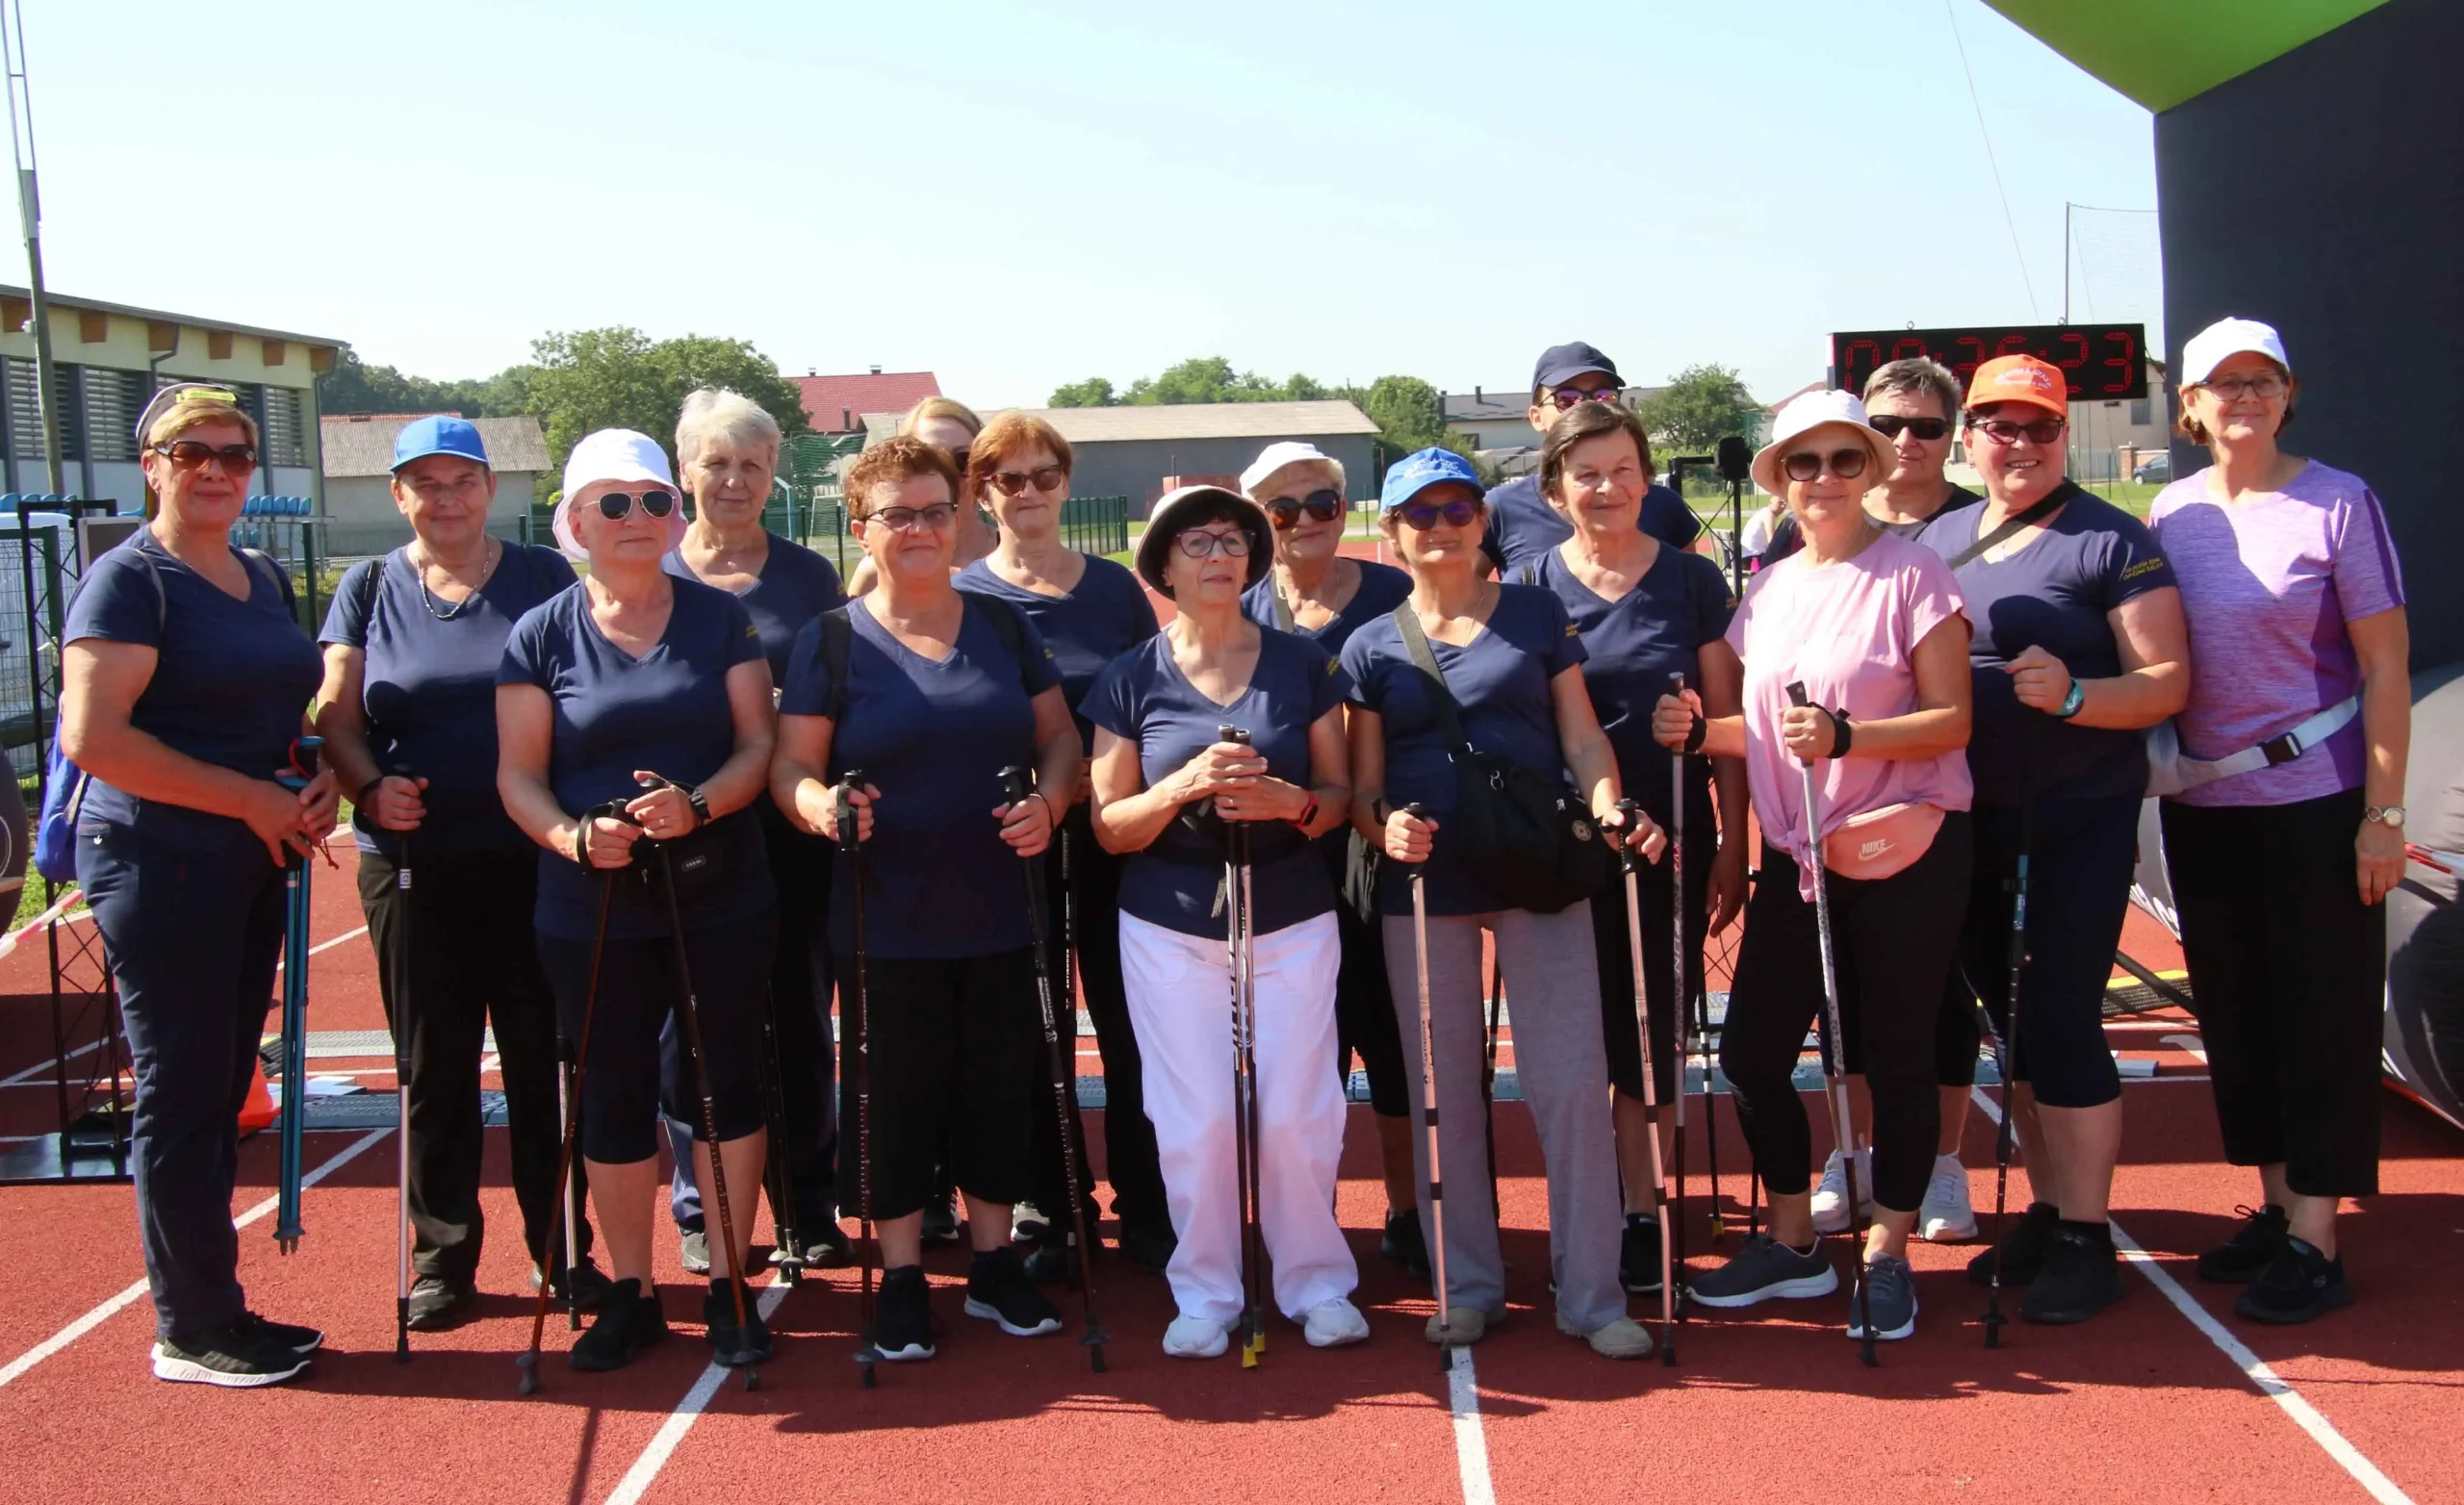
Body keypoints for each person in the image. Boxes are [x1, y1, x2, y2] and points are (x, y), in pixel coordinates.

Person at [1343, 446, 1662, 1360]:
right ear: (1394, 530)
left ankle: (1594, 1296)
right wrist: (1381, 828)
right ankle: (1469, 1284)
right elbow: (1362, 792)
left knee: (1568, 1085)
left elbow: (1583, 738)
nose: (1440, 528)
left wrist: (1608, 802)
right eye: (1421, 514)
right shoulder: (1369, 646)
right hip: (1426, 888)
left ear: (1482, 521)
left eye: (1457, 510)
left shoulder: (1535, 615)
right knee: (1446, 1093)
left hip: (1540, 876)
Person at [1669, 390, 1973, 1344]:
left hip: (1900, 847)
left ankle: (1886, 1250)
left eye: (1845, 460)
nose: (1825, 479)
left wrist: (1849, 734)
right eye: (1804, 464)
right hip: (1797, 856)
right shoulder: (1766, 589)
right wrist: (1696, 732)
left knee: (1896, 1055)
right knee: (1754, 1051)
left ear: (1871, 471)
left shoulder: (1914, 574)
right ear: (1782, 481)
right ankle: (1796, 1237)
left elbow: (1953, 718)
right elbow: (1766, 729)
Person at [770, 435, 1082, 1363]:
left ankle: (993, 1264)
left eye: (934, 510)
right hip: (884, 914)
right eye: (896, 514)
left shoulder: (1004, 627)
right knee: (891, 1100)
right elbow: (791, 765)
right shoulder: (827, 639)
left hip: (999, 906)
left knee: (993, 1089)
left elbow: (1059, 740)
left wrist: (1050, 801)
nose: (918, 529)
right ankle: (902, 1274)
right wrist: (823, 807)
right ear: (860, 529)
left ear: (959, 518)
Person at [63, 383, 337, 1387]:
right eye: (191, 453)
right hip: (160, 860)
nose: (216, 468)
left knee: (222, 1087)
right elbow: (94, 738)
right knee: (181, 1093)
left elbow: (272, 708)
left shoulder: (257, 574)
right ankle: (189, 1325)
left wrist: (309, 776)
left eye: (234, 452)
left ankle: (217, 1306)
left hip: (248, 857)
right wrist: (246, 798)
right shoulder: (131, 581)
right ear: (152, 465)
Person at [313, 415, 606, 1333]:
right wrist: (368, 785)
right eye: (425, 484)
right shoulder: (366, 587)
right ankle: (443, 1258)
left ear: (492, 489)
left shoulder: (542, 577)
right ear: (399, 494)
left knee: (544, 1062)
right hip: (413, 865)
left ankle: (562, 1250)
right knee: (432, 1066)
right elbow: (336, 711)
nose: (446, 499)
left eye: (462, 481)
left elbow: (588, 688)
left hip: (533, 859)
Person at [496, 429, 780, 1372]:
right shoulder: (539, 632)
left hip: (720, 893)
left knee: (726, 1084)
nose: (636, 519)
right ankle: (630, 1288)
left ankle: (731, 1278)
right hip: (591, 908)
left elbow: (755, 747)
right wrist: (574, 835)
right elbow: (519, 777)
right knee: (613, 1094)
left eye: (653, 501)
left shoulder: (720, 620)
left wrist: (696, 805)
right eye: (612, 504)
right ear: (574, 521)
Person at [1915, 355, 2189, 1325]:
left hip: (2072, 822)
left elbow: (2164, 683)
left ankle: (2086, 1231)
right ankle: (2044, 1204)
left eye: (2037, 428)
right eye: (1998, 425)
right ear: (1971, 436)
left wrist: (2074, 696)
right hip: (1968, 821)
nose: (2017, 444)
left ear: (2062, 434)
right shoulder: (1937, 534)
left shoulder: (2109, 539)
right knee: (2011, 1023)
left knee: (2064, 1017)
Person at [2151, 317, 2409, 1324]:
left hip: (2316, 801)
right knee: (2236, 1011)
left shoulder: (2337, 503)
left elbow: (2384, 664)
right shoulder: (2170, 513)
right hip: (2206, 803)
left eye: (2261, 381)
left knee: (2320, 1014)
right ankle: (2273, 1202)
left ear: (2287, 394)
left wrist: (2382, 813)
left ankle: (2316, 1234)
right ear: (2191, 407)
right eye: (2224, 384)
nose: (2243, 398)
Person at [1086, 483, 1368, 1357]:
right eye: (1198, 543)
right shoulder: (1129, 677)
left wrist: (1287, 801)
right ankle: (1205, 1289)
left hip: (1290, 917)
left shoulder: (1302, 663)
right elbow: (1109, 825)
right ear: (1164, 565)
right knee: (1197, 1117)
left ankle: (1315, 1281)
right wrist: (1184, 787)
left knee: (1295, 1112)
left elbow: (1339, 797)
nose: (1219, 556)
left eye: (1234, 541)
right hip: (1169, 926)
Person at [1523, 401, 1747, 1295]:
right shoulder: (1531, 585)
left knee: (1652, 1025)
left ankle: (1645, 1207)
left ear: (1646, 479)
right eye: (1585, 473)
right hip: (1567, 844)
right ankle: (1607, 1199)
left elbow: (1726, 725)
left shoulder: (1692, 584)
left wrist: (1729, 845)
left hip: (1669, 840)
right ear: (1554, 489)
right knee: (1586, 1027)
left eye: (1622, 469)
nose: (1606, 487)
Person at [955, 411, 1174, 1277]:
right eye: (1011, 479)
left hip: (1117, 840)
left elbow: (1155, 703)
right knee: (1030, 1029)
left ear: (1067, 483)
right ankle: (1056, 1200)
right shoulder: (968, 595)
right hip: (1014, 842)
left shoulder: (1115, 590)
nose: (1031, 492)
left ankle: (1149, 1200)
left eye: (1046, 475)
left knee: (1129, 1024)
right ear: (984, 493)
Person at [658, 388, 850, 1276]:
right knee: (691, 1024)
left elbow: (834, 694)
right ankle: (705, 1205)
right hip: (687, 831)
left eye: (753, 464)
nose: (734, 480)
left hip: (787, 830)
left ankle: (810, 1198)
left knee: (799, 1016)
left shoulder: (809, 577)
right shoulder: (652, 567)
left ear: (774, 474)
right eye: (717, 462)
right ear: (684, 468)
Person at [1238, 440, 1425, 1277]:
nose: (1306, 521)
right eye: (1283, 510)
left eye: (1321, 503)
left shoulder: (1397, 592)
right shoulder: (1240, 610)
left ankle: (1411, 1210)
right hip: (1285, 854)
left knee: (1389, 1039)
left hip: (1380, 848)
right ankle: (1302, 1223)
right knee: (1299, 1054)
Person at [1480, 341, 1703, 577]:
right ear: (1536, 417)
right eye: (1567, 398)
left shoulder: (1664, 506)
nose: (1587, 408)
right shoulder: (1501, 508)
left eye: (1604, 396)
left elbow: (1694, 598)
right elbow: (1460, 601)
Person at [1761, 357, 1982, 564]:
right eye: (1885, 425)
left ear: (1951, 434)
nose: (1904, 441)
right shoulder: (1804, 528)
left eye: (1926, 428)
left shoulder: (1983, 525)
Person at [843, 395, 994, 599]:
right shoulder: (876, 570)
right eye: (930, 460)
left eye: (963, 459)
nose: (947, 473)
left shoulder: (1014, 556)